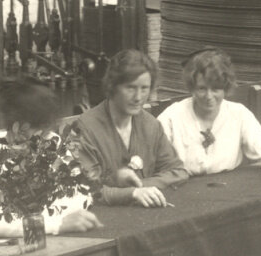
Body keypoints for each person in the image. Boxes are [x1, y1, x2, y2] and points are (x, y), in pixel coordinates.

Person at [67, 49, 188, 207]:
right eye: (131, 88)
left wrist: (142, 186)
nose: (138, 97)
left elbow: (178, 172)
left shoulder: (151, 125)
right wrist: (132, 192)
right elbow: (83, 190)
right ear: (112, 87)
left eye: (144, 88)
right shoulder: (85, 128)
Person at [0, 78, 99, 238]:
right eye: (41, 131)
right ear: (17, 126)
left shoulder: (54, 144)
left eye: (48, 130)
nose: (47, 139)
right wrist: (56, 224)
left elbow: (82, 195)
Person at [156, 48, 261, 178]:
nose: (209, 96)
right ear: (192, 88)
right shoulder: (172, 116)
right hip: (183, 188)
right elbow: (155, 161)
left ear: (225, 88)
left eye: (215, 89)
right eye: (202, 89)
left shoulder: (239, 114)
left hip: (228, 189)